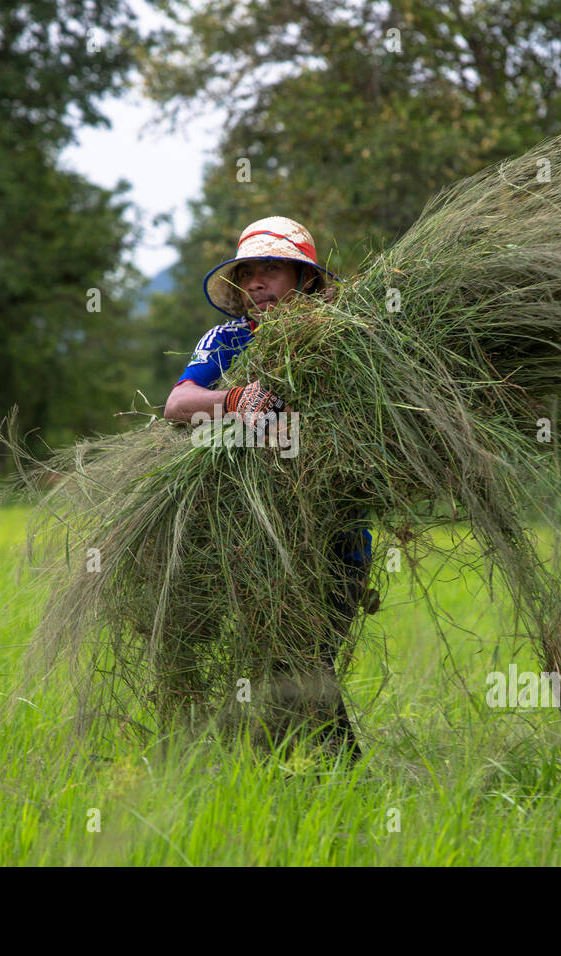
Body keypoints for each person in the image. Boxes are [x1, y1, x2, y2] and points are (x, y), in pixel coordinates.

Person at [162, 215, 372, 761]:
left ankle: (302, 772)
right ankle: (316, 774)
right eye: (249, 271)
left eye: (273, 269)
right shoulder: (228, 340)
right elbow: (177, 407)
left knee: (303, 655)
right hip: (255, 533)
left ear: (304, 279)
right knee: (293, 659)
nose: (257, 282)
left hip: (335, 535)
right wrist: (233, 402)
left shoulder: (346, 340)